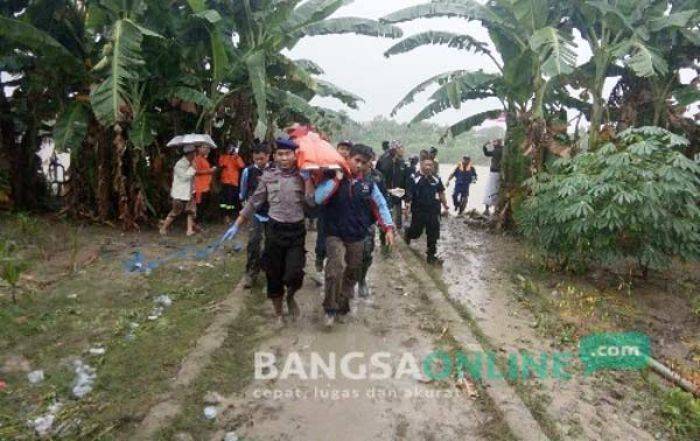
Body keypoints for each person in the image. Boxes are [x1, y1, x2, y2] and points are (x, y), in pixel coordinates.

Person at [227, 138, 314, 325]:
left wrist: (308, 181)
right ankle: (278, 314)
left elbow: (312, 203)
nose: (284, 158)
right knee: (274, 274)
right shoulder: (268, 176)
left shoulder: (303, 175)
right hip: (275, 229)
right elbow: (255, 201)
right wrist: (238, 222)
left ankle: (291, 296)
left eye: (288, 154)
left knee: (294, 273)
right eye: (280, 154)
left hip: (296, 230)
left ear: (294, 155)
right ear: (274, 156)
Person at [315, 144, 394, 328]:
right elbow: (318, 198)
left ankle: (343, 303)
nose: (359, 165)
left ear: (368, 165)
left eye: (364, 163)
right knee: (334, 269)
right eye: (356, 160)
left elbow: (381, 205)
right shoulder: (332, 177)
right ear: (348, 158)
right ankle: (330, 309)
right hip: (334, 234)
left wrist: (388, 228)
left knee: (353, 271)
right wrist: (336, 181)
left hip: (357, 235)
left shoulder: (369, 185)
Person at [315, 140, 354, 273]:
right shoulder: (327, 167)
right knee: (322, 237)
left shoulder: (352, 169)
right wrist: (336, 178)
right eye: (341, 148)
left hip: (343, 212)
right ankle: (319, 258)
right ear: (336, 150)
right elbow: (319, 192)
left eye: (347, 149)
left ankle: (335, 269)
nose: (344, 151)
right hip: (326, 209)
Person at [238, 141, 271, 288]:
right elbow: (243, 193)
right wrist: (245, 211)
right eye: (256, 159)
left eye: (262, 159)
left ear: (268, 157)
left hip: (273, 213)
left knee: (272, 243)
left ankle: (268, 267)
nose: (259, 162)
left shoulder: (275, 171)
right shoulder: (248, 172)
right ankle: (251, 272)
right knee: (253, 242)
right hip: (255, 213)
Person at [404, 158, 449, 265]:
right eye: (426, 165)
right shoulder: (414, 177)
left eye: (430, 165)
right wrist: (407, 206)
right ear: (421, 165)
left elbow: (441, 192)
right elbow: (409, 193)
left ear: (433, 167)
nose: (428, 167)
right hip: (419, 210)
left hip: (433, 210)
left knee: (433, 233)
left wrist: (445, 206)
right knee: (417, 232)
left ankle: (431, 256)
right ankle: (408, 233)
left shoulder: (436, 178)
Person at [358, 150, 388, 299]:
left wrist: (386, 224)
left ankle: (362, 279)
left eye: (368, 160)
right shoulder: (349, 173)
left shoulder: (378, 177)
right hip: (348, 221)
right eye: (361, 159)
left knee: (366, 253)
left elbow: (382, 200)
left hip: (369, 221)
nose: (364, 163)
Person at [160, 145, 197, 236]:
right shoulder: (180, 164)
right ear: (190, 154)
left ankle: (189, 230)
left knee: (191, 211)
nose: (195, 155)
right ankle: (163, 228)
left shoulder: (190, 163)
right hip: (179, 194)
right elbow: (184, 177)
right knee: (175, 212)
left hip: (189, 193)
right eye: (193, 153)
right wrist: (192, 168)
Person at [218, 143, 246, 224]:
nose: (230, 149)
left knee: (232, 200)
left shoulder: (236, 157)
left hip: (234, 182)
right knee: (225, 200)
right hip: (225, 182)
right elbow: (222, 164)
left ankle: (229, 215)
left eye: (231, 148)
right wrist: (229, 156)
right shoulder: (222, 156)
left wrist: (236, 156)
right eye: (228, 148)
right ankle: (224, 216)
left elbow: (241, 165)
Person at [193, 144, 217, 229]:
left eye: (207, 148)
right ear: (199, 149)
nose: (207, 150)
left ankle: (199, 222)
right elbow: (196, 172)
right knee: (201, 205)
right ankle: (197, 223)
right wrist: (210, 171)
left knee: (205, 204)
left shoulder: (204, 159)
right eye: (204, 148)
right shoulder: (197, 159)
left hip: (206, 185)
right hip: (200, 186)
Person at [482, 139, 503, 215]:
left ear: (498, 143)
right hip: (498, 172)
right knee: (496, 190)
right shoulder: (501, 150)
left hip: (495, 172)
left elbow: (487, 153)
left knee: (490, 190)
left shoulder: (497, 150)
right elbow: (487, 153)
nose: (493, 143)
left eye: (495, 142)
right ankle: (495, 208)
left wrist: (484, 145)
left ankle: (487, 209)